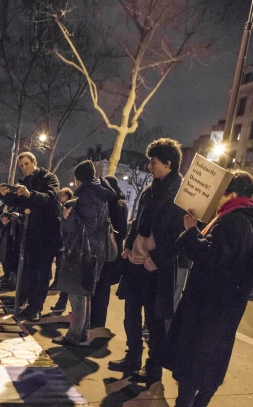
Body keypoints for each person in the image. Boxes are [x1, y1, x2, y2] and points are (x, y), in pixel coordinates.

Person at [150, 171, 253, 407]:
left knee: (192, 356)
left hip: (208, 303)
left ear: (231, 195)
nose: (216, 199)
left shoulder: (231, 222)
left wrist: (190, 232)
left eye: (221, 193)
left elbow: (210, 257)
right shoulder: (247, 220)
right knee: (214, 357)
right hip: (229, 305)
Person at [108, 138, 185, 388]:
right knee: (131, 315)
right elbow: (137, 221)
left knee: (154, 322)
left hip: (156, 268)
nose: (149, 166)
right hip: (135, 263)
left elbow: (179, 237)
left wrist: (156, 259)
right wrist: (129, 247)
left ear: (168, 163)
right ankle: (132, 359)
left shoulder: (180, 194)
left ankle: (153, 369)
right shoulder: (150, 189)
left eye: (153, 162)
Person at [52, 160, 115, 345]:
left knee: (77, 294)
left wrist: (67, 217)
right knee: (84, 293)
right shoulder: (99, 193)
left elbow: (87, 227)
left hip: (84, 251)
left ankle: (74, 335)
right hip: (95, 249)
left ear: (79, 179)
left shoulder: (87, 195)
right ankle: (82, 332)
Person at [0, 152, 60, 322]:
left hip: (47, 234)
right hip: (30, 234)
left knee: (43, 273)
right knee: (30, 272)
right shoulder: (23, 182)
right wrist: (4, 195)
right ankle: (30, 305)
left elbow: (51, 197)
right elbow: (17, 202)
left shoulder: (49, 177)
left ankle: (36, 308)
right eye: (21, 166)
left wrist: (30, 194)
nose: (24, 168)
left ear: (34, 162)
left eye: (26, 164)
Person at [89, 175, 128, 328]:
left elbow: (121, 231)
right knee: (100, 288)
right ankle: (95, 321)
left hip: (108, 253)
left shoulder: (115, 204)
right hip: (109, 252)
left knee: (101, 288)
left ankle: (97, 323)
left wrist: (107, 229)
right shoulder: (117, 203)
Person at [49, 187, 74, 313]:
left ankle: (63, 303)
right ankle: (62, 302)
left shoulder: (69, 211)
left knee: (65, 273)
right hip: (65, 245)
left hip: (69, 248)